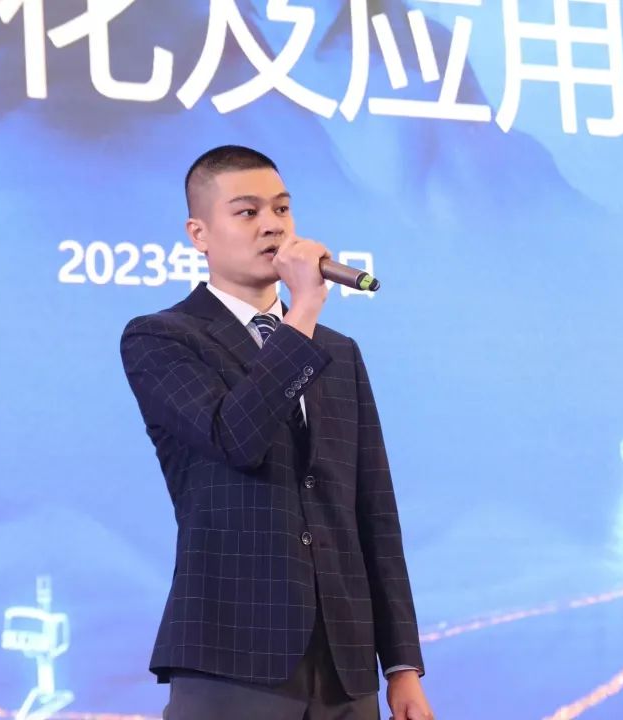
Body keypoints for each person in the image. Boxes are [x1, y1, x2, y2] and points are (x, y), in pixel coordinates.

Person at [120, 145, 433, 720]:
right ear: (199, 233)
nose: (272, 225)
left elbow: (373, 510)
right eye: (247, 212)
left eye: (282, 209)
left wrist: (402, 666)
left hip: (345, 665)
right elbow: (235, 438)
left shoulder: (338, 352)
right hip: (231, 655)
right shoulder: (162, 339)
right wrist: (304, 310)